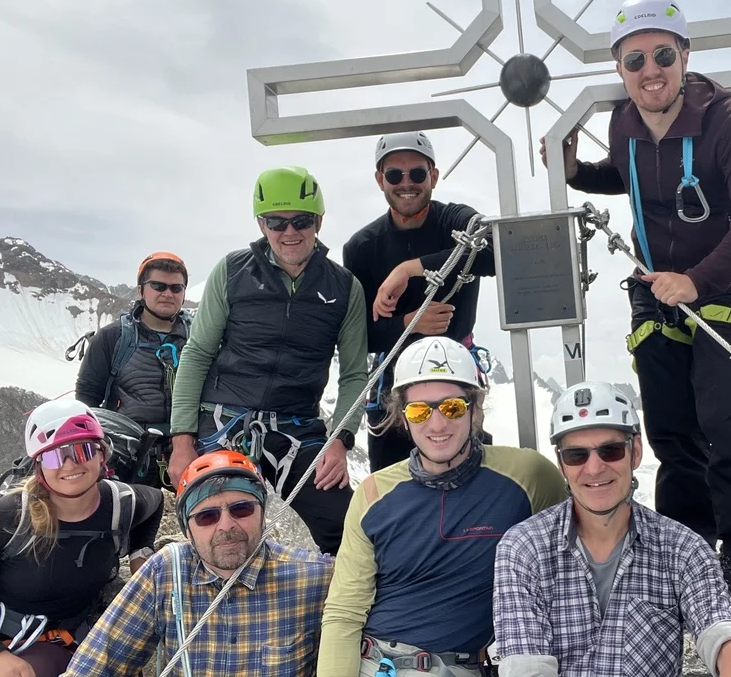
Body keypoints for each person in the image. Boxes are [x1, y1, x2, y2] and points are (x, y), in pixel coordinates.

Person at [541, 0, 731, 604]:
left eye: (660, 55)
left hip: (723, 292)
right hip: (655, 296)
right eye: (633, 60)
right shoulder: (625, 122)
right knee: (673, 431)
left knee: (728, 422)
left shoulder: (729, 121)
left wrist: (698, 281)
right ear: (619, 68)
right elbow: (628, 175)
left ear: (684, 54)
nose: (649, 71)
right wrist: (575, 171)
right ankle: (689, 550)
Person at [318, 336, 564, 677]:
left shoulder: (528, 476)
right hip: (378, 665)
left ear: (475, 410)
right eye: (419, 410)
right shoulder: (375, 493)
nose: (436, 425)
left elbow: (575, 547)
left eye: (452, 408)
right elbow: (345, 611)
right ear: (403, 417)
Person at [493, 381, 731, 677]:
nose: (594, 468)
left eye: (610, 451)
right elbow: (526, 666)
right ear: (562, 464)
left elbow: (722, 631)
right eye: (576, 455)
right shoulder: (523, 548)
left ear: (635, 451)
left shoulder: (682, 548)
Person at [167, 166, 368, 555]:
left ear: (319, 221)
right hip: (225, 421)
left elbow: (355, 373)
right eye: (277, 221)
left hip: (298, 427)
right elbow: (197, 354)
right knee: (219, 525)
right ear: (261, 224)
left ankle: (344, 612)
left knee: (348, 529)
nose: (289, 231)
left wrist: (340, 441)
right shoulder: (232, 271)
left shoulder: (344, 287)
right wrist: (181, 442)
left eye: (301, 220)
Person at [0, 398, 163, 677]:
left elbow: (156, 503)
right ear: (39, 466)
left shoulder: (122, 503)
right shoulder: (7, 518)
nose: (69, 465)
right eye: (54, 456)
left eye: (81, 450)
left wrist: (141, 552)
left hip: (61, 640)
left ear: (102, 455)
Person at [63, 450, 333, 675]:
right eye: (207, 517)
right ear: (187, 531)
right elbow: (95, 665)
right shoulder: (167, 573)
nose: (226, 526)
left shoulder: (314, 578)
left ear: (262, 514)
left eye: (242, 509)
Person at [343, 132, 497, 472]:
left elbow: (492, 251)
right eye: (395, 175)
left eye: (417, 173)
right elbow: (359, 335)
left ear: (434, 176)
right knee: (393, 486)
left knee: (473, 480)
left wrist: (408, 270)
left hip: (449, 378)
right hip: (397, 382)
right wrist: (409, 324)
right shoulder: (362, 248)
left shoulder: (457, 222)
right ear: (380, 179)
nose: (406, 183)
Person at [75, 251, 191, 488]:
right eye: (158, 286)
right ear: (141, 290)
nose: (168, 293)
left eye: (176, 288)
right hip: (128, 452)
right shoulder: (113, 338)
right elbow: (88, 397)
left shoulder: (198, 337)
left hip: (187, 448)